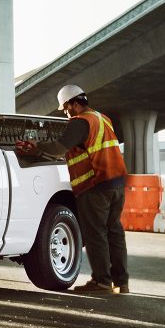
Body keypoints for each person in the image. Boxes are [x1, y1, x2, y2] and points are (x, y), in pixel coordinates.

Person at [16, 84, 130, 294]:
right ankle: (121, 282)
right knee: (114, 232)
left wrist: (35, 147)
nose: (66, 113)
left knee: (96, 233)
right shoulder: (103, 119)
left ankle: (102, 282)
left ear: (74, 104)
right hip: (116, 184)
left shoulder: (80, 122)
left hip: (95, 185)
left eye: (66, 108)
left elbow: (59, 148)